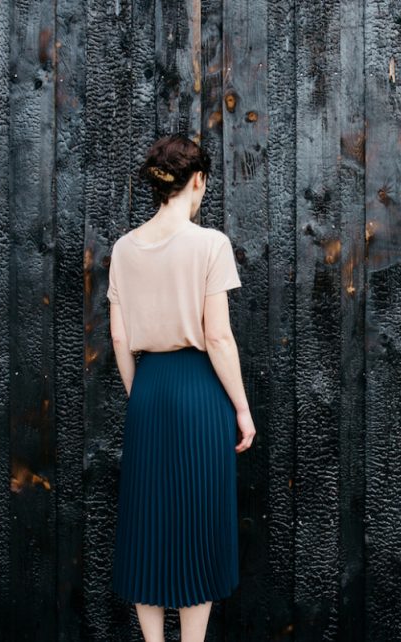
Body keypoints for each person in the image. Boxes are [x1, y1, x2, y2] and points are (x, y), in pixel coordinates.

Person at [107, 133, 256, 642]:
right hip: (199, 391)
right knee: (197, 522)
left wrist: (140, 393)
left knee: (147, 522)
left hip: (148, 389)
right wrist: (241, 407)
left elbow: (120, 336)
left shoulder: (123, 249)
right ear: (197, 181)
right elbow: (217, 335)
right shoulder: (209, 244)